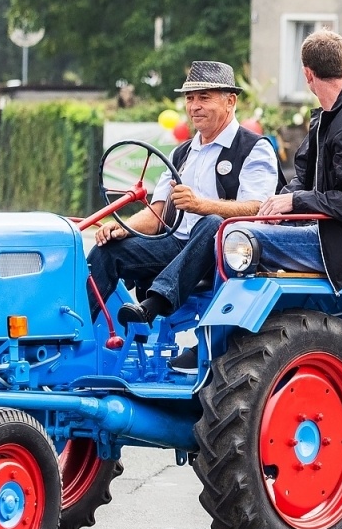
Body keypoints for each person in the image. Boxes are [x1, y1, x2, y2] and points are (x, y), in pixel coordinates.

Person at [92, 61, 278, 367]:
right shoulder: (182, 153)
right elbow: (157, 214)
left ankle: (153, 305)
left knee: (213, 224)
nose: (194, 106)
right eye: (190, 98)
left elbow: (258, 208)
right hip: (179, 248)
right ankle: (74, 331)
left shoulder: (254, 148)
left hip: (228, 257)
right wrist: (123, 228)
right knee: (108, 250)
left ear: (230, 101)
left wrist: (203, 204)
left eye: (204, 97)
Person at [253, 30, 342, 288]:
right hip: (329, 234)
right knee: (233, 232)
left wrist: (295, 201)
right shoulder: (331, 116)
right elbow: (305, 179)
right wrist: (279, 206)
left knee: (235, 237)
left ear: (307, 74)